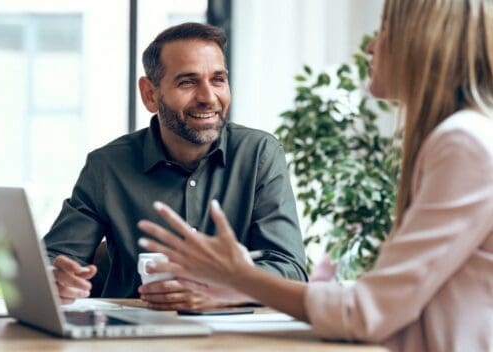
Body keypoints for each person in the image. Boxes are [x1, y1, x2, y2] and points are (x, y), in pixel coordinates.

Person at [137, 0, 493, 350]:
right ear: (150, 94)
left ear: (423, 39)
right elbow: (389, 302)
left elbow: (366, 314)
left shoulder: (464, 143)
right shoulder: (459, 139)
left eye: (384, 28)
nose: (370, 46)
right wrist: (242, 286)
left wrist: (239, 276)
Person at [44, 22, 307, 310]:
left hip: (230, 334)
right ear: (150, 94)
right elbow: (53, 259)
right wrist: (57, 278)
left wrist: (223, 290)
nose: (208, 97)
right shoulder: (107, 166)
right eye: (188, 82)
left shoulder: (259, 154)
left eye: (218, 80)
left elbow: (290, 270)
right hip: (133, 330)